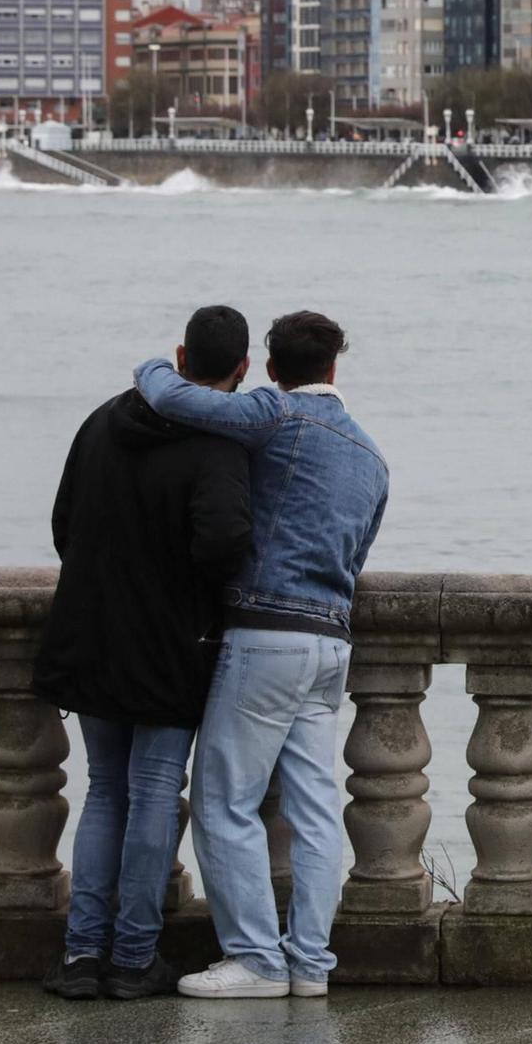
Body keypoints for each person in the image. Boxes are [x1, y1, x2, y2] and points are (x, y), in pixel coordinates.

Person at [132, 310, 389, 999]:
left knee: (223, 801)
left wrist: (153, 364)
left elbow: (174, 398)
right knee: (313, 808)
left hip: (265, 635)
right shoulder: (370, 456)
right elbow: (356, 558)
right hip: (330, 643)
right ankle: (311, 963)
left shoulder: (272, 415)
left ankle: (256, 960)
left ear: (272, 369)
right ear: (334, 369)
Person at [36, 306, 255, 1001]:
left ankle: (80, 957)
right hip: (167, 643)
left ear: (180, 356)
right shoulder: (217, 441)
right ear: (242, 370)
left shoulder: (103, 420)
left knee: (103, 791)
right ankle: (132, 957)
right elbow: (221, 547)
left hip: (92, 633)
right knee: (155, 792)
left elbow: (64, 522)